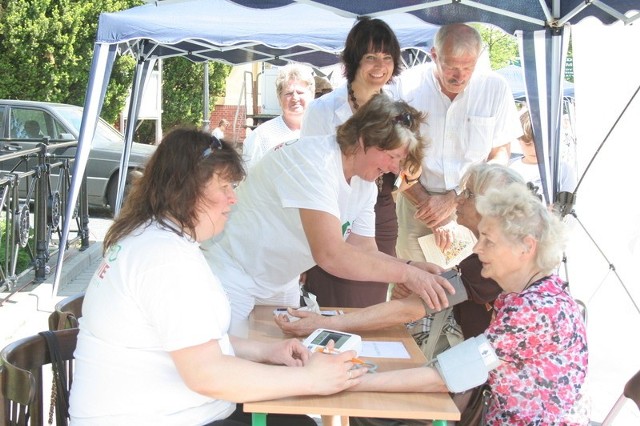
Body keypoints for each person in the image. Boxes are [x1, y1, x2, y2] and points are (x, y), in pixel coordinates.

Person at [68, 128, 366, 425]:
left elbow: (197, 343)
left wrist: (266, 351)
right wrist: (310, 379)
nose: (232, 199)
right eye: (224, 186)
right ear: (187, 189)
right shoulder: (163, 258)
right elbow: (206, 373)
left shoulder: (158, 239)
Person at [202, 93, 455, 328]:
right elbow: (330, 254)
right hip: (233, 273)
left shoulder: (364, 183)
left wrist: (411, 267)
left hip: (277, 281)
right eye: (392, 156)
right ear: (364, 140)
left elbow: (364, 250)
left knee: (281, 360)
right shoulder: (316, 162)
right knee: (230, 362)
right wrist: (407, 274)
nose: (395, 170)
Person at [347, 182, 589, 426]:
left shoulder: (534, 309)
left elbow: (447, 375)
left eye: (488, 240)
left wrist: (352, 380)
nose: (477, 248)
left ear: (526, 247)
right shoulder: (535, 295)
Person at [274, 163, 521, 342]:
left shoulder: (494, 261)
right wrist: (411, 272)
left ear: (490, 206)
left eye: (467, 194)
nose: (457, 200)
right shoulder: (494, 254)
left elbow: (410, 309)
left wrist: (327, 324)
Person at [300, 16, 408, 308]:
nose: (379, 66)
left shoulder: (400, 109)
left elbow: (406, 163)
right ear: (353, 61)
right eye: (370, 57)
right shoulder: (323, 110)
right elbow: (309, 171)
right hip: (328, 210)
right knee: (336, 301)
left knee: (372, 299)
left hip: (378, 209)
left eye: (387, 58)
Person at [390, 23, 522, 259]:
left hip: (475, 207)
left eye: (468, 67)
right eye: (451, 66)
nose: (459, 76)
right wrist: (428, 206)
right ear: (434, 55)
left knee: (475, 286)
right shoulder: (406, 85)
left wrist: (456, 199)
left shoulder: (495, 87)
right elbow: (394, 156)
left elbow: (501, 153)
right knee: (414, 283)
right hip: (415, 203)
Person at [242, 64, 315, 169]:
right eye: (289, 93)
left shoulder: (323, 131)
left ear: (311, 96)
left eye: (300, 92)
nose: (295, 98)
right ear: (279, 98)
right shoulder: (261, 136)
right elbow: (249, 178)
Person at [510, 107, 577, 195]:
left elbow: (566, 204)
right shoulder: (510, 169)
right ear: (519, 140)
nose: (534, 149)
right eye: (528, 144)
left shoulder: (563, 169)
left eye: (540, 144)